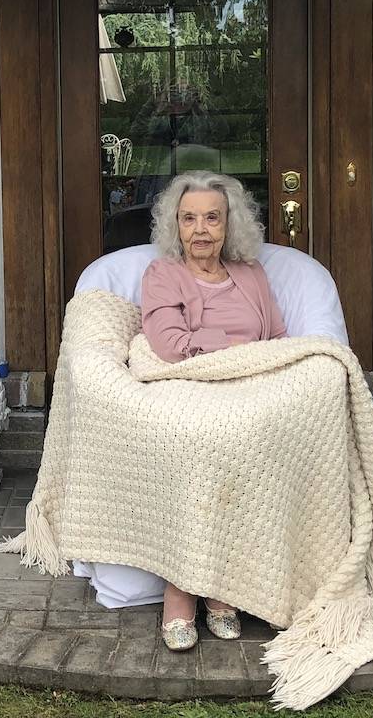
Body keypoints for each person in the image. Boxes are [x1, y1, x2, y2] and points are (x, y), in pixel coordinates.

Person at [139, 171, 287, 650]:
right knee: (209, 441)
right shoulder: (163, 274)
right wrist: (234, 345)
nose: (200, 230)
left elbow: (277, 340)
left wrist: (248, 357)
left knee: (265, 438)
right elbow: (168, 345)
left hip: (250, 385)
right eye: (189, 219)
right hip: (191, 388)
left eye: (211, 218)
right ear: (175, 226)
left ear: (229, 225)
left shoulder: (251, 274)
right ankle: (181, 589)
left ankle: (223, 586)